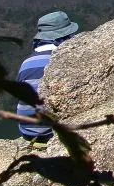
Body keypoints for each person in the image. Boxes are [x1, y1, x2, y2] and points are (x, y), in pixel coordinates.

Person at [16, 11, 79, 147]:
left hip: (26, 132)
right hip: (47, 134)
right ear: (64, 36)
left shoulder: (26, 62)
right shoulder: (61, 59)